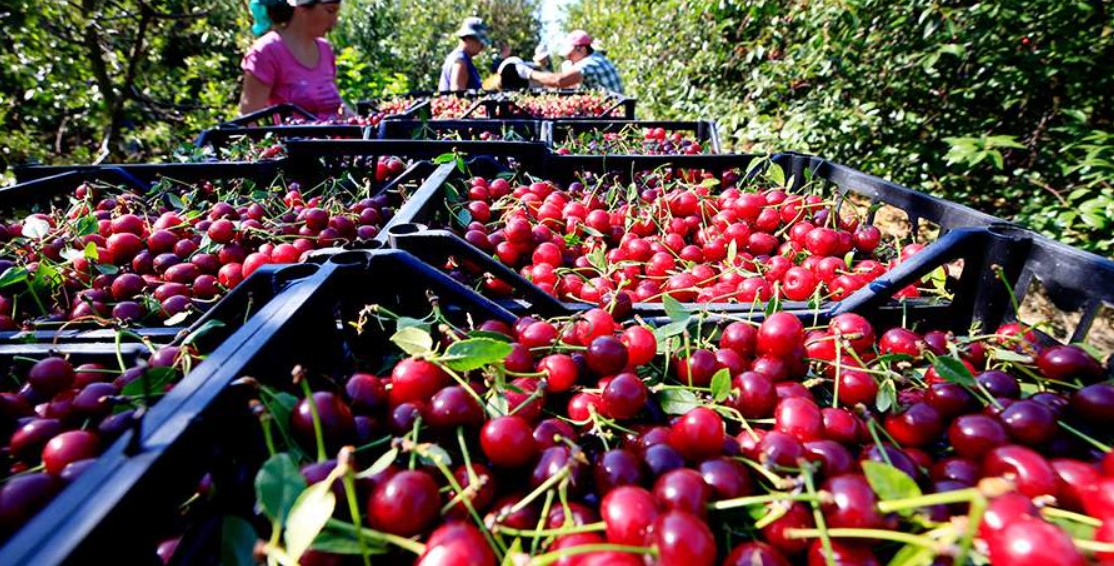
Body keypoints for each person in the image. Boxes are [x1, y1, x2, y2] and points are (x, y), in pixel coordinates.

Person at [240, 0, 351, 120]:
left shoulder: (325, 49)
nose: (335, 20)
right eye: (330, 11)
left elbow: (340, 107)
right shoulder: (266, 52)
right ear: (302, 8)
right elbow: (247, 119)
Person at [515, 30, 623, 94]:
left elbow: (559, 80)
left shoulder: (590, 63)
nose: (568, 58)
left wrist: (529, 73)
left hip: (616, 116)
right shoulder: (597, 58)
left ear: (581, 49)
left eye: (570, 54)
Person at [438, 17, 492, 92]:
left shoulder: (461, 57)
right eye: (478, 41)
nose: (482, 46)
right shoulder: (460, 61)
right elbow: (457, 95)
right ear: (467, 38)